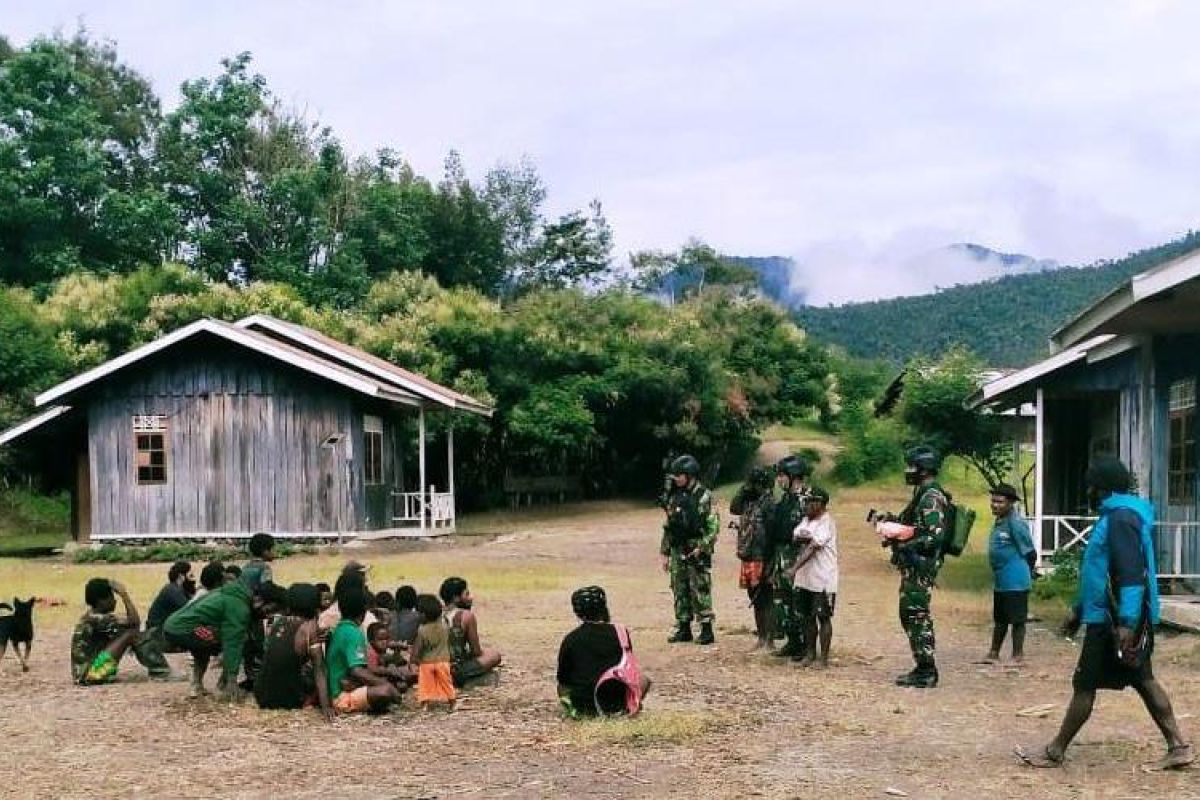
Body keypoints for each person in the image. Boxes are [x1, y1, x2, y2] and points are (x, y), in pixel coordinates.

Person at [1016, 457, 1193, 770]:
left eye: (1091, 485)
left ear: (1101, 487)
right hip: (1112, 616)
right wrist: (1079, 611)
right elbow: (1098, 574)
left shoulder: (1121, 518)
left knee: (1085, 684)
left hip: (1115, 621)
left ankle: (1056, 750)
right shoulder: (1117, 516)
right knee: (1143, 680)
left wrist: (1126, 623)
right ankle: (1178, 746)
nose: (1088, 490)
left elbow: (1130, 573)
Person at [887, 446, 948, 688]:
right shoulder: (922, 493)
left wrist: (906, 544)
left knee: (916, 614)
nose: (907, 471)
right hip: (915, 564)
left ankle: (927, 669)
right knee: (910, 613)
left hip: (921, 565)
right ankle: (922, 665)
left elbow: (935, 535)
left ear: (923, 469)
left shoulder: (931, 497)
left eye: (911, 466)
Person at [164, 577, 284, 699]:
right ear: (259, 600)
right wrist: (232, 678)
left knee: (204, 649)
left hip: (175, 625)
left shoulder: (235, 594)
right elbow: (233, 643)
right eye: (270, 610)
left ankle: (198, 686)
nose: (268, 615)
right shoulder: (238, 607)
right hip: (183, 629)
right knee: (239, 639)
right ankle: (225, 686)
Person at [557, 585, 651, 717]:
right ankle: (631, 706)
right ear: (604, 607)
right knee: (644, 679)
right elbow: (629, 668)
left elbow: (563, 680)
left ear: (577, 612)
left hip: (585, 704)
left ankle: (576, 710)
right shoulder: (620, 632)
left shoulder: (571, 639)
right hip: (617, 700)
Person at [658, 454, 720, 645]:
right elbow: (669, 525)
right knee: (679, 586)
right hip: (678, 547)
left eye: (679, 475)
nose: (676, 479)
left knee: (699, 587)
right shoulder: (675, 496)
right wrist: (665, 552)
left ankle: (706, 628)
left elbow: (713, 525)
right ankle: (683, 626)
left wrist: (702, 546)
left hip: (696, 547)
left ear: (690, 475)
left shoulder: (704, 496)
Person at [254, 583, 334, 721]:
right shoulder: (310, 628)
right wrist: (326, 706)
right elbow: (319, 669)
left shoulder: (278, 623)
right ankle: (308, 700)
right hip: (288, 699)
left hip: (262, 695)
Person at [70, 578, 170, 684]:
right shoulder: (98, 619)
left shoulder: (93, 616)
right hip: (90, 675)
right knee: (131, 635)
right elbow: (134, 623)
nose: (115, 601)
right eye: (111, 597)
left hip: (86, 673)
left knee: (128, 633)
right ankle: (160, 671)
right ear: (101, 601)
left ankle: (160, 669)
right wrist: (124, 595)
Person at [325, 580, 401, 714]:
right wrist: (384, 684)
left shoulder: (340, 628)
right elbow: (357, 671)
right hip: (341, 697)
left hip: (344, 688)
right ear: (364, 611)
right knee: (386, 691)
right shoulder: (354, 632)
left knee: (394, 685)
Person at [984, 483, 1036, 663]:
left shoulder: (1015, 522)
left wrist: (1027, 572)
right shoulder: (1000, 521)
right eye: (993, 501)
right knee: (1000, 618)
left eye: (1000, 502)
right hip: (1002, 579)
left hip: (1016, 579)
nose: (995, 505)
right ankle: (993, 653)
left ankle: (1017, 655)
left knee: (1017, 619)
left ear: (1010, 503)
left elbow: (1030, 551)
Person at [788, 487, 838, 667]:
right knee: (807, 617)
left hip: (822, 579)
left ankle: (823, 658)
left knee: (823, 617)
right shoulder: (806, 521)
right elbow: (796, 536)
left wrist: (794, 568)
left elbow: (812, 547)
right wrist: (806, 537)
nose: (806, 505)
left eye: (810, 502)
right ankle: (810, 654)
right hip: (806, 578)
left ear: (820, 503)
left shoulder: (827, 522)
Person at [768, 455, 812, 659]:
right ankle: (792, 639)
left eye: (782, 476)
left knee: (799, 601)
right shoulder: (786, 499)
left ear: (793, 476)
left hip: (798, 557)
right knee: (782, 600)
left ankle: (805, 643)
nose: (779, 480)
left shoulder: (807, 500)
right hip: (781, 555)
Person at [730, 466, 776, 650]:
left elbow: (772, 533)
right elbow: (734, 507)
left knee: (765, 597)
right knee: (754, 598)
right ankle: (761, 637)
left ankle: (770, 639)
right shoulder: (748, 501)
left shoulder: (768, 503)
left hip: (761, 555)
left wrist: (769, 561)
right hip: (748, 555)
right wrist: (744, 489)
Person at [439, 577, 503, 686]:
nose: (471, 597)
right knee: (494, 655)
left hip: (434, 667)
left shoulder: (435, 612)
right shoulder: (467, 616)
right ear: (456, 598)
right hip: (455, 668)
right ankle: (460, 678)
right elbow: (476, 651)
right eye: (467, 594)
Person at [412, 594, 456, 710]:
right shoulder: (445, 627)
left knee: (425, 683)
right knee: (446, 682)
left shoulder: (422, 630)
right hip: (443, 660)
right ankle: (452, 701)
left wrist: (414, 660)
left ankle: (425, 704)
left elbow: (418, 648)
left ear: (423, 614)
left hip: (427, 662)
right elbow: (449, 643)